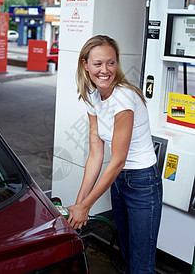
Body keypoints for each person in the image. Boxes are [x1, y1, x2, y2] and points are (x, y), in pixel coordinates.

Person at [67, 35, 162, 273]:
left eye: (111, 62)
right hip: (119, 182)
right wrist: (79, 204)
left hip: (142, 182)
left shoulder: (124, 98)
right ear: (85, 64)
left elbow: (118, 159)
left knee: (142, 263)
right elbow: (95, 154)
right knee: (127, 253)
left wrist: (86, 206)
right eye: (98, 64)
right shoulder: (92, 96)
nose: (105, 70)